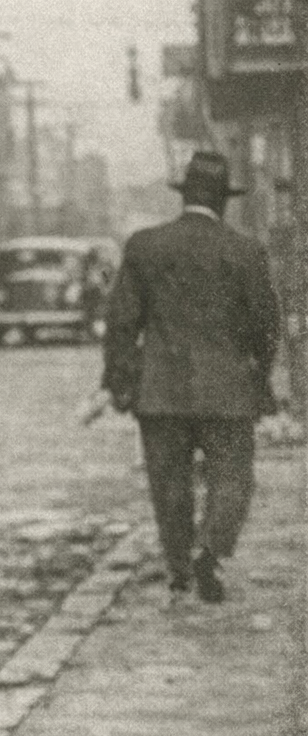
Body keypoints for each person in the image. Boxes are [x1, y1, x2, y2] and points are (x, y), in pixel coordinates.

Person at [101, 151, 280, 604]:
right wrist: (261, 378)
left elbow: (122, 321)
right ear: (223, 201)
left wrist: (120, 382)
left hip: (161, 389)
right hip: (228, 389)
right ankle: (211, 547)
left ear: (184, 196)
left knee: (169, 481)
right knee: (233, 477)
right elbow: (265, 325)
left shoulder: (144, 246)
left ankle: (179, 566)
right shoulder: (245, 250)